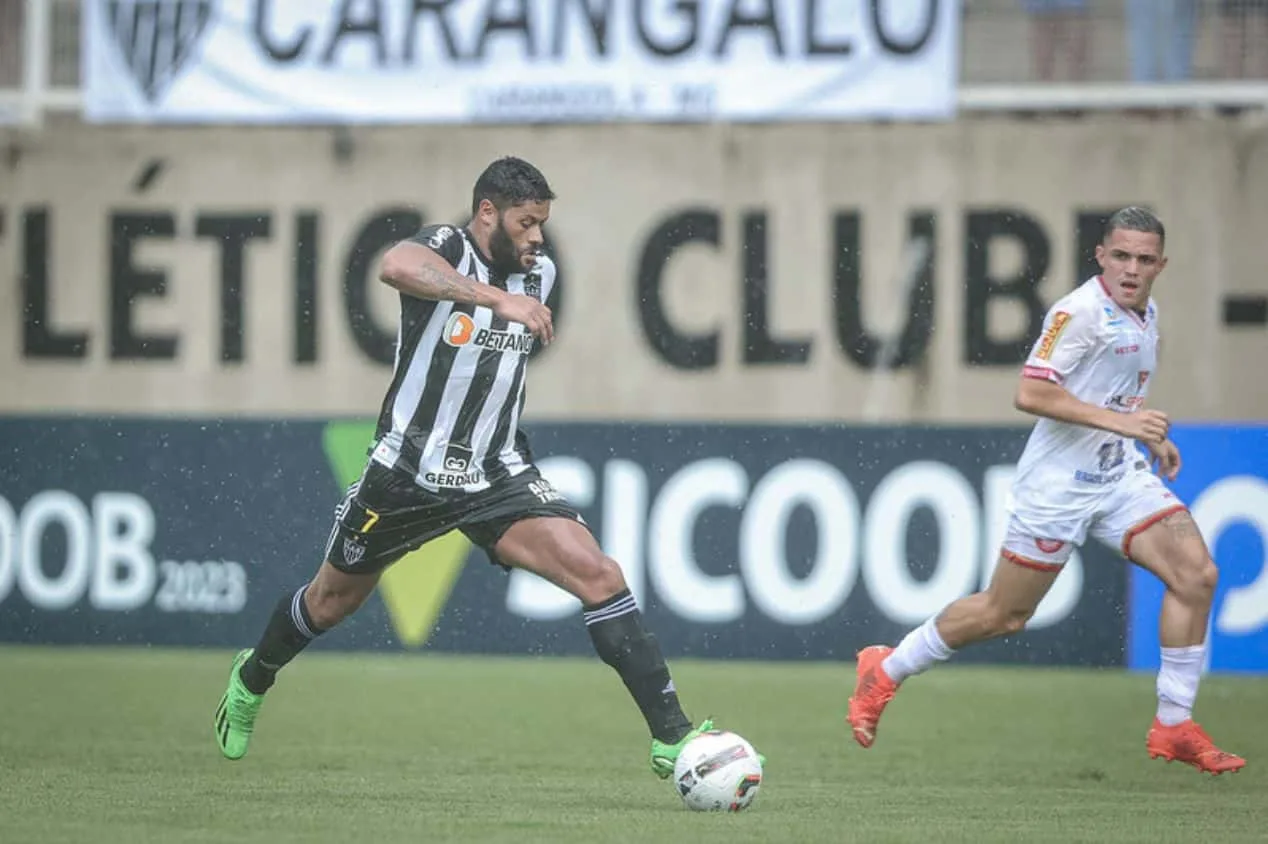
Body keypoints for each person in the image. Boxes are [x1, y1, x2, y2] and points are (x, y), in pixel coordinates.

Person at [214, 156, 751, 780]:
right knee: (329, 603)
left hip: (496, 473)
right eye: (526, 223)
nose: (537, 237)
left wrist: (510, 296)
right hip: (407, 472)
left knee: (599, 575)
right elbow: (395, 266)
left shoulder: (539, 274)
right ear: (487, 214)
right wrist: (495, 299)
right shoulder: (445, 248)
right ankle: (253, 677)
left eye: (542, 224)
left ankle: (672, 739)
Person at [847, 207, 1245, 776]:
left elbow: (1115, 396)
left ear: (1161, 264)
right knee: (1003, 614)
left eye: (1144, 259)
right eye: (1121, 256)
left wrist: (1145, 437)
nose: (1131, 268)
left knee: (1196, 575)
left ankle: (1175, 724)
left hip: (1117, 476)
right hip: (1057, 489)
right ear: (1100, 256)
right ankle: (885, 670)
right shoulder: (1077, 313)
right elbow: (1031, 393)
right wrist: (1126, 425)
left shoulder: (1145, 311)